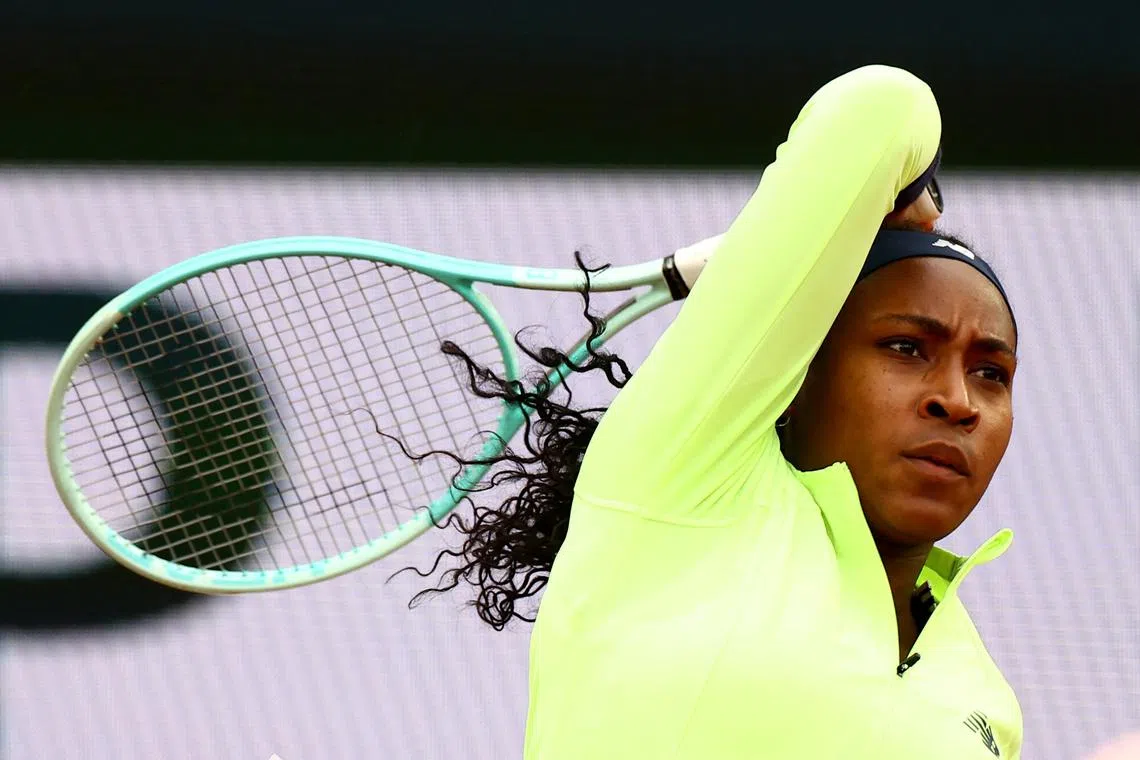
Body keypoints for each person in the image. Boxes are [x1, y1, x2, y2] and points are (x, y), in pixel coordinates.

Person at [413, 65, 1022, 758]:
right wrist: (904, 193)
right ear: (797, 370)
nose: (958, 400)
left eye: (991, 373)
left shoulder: (989, 706)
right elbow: (883, 107)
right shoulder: (686, 476)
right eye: (906, 347)